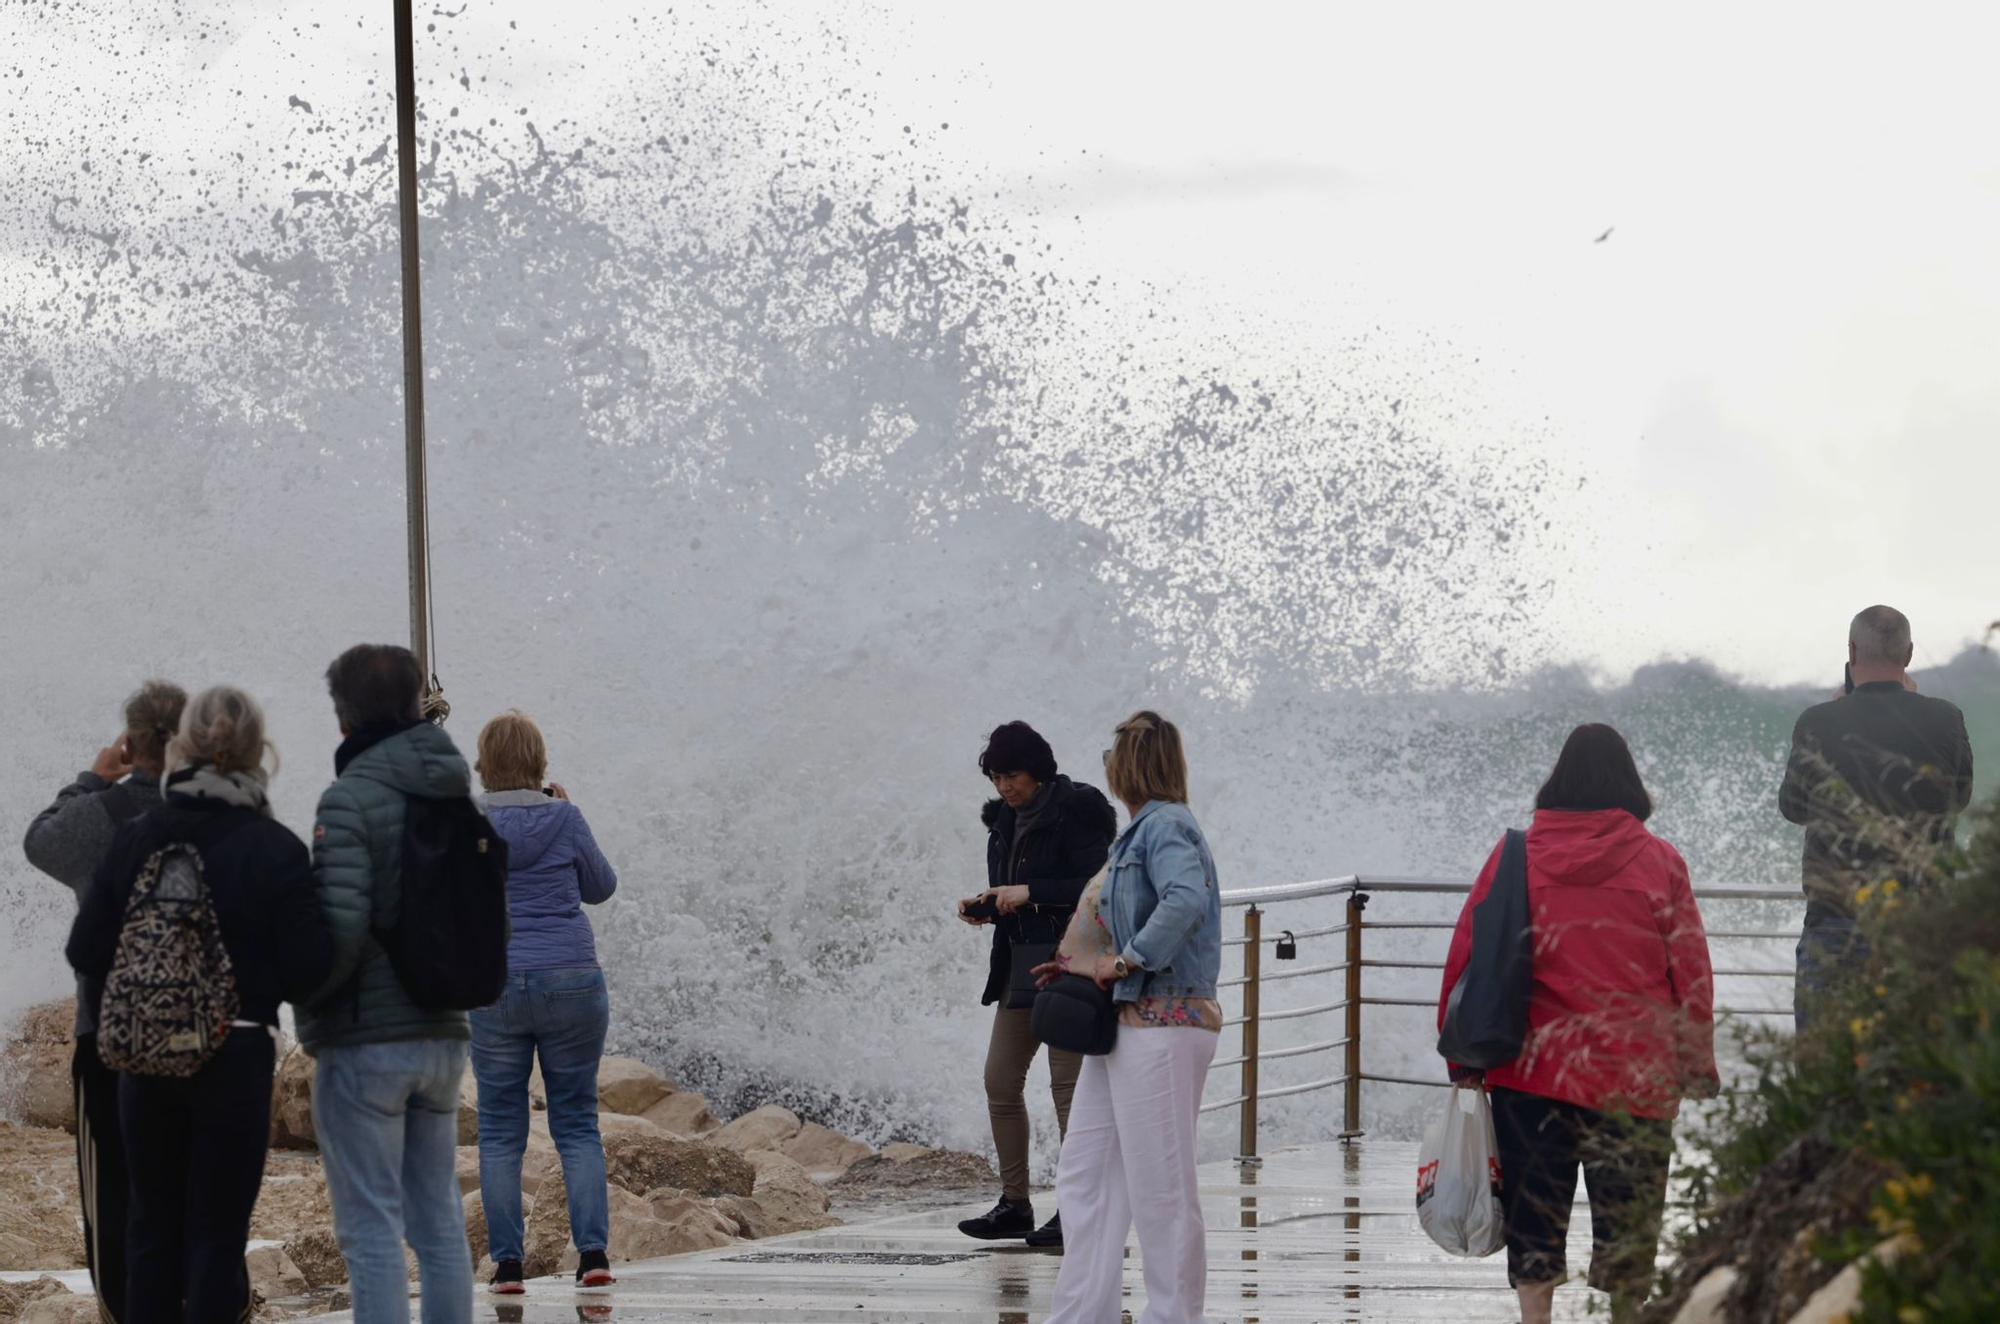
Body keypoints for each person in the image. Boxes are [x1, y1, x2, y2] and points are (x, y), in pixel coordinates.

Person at [65, 687, 333, 1324]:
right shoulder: (276, 847)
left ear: (181, 748)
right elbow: (310, 972)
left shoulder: (137, 838)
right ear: (257, 752)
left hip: (145, 1061)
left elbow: (85, 949)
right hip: (236, 1054)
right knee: (215, 1240)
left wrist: (141, 1002)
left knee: (150, 1232)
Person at [1438, 723, 1718, 1324]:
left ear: (1556, 783)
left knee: (1534, 1212)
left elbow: (1469, 955)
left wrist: (1463, 1059)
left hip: (1532, 1072)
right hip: (1635, 1076)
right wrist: (1695, 1064)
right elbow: (1690, 972)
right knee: (1630, 1218)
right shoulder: (1660, 861)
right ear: (1630, 785)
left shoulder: (1513, 855)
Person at [298, 644, 478, 1323]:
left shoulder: (349, 800)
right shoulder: (456, 792)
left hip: (368, 1044)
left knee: (371, 1232)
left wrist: (303, 1000)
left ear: (345, 717)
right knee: (438, 1229)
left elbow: (340, 931)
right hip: (444, 1035)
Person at [1037, 711, 1223, 1324]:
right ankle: (1081, 1313)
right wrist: (1081, 964)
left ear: (1130, 765)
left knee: (1161, 1186)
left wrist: (1129, 961)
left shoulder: (1167, 826)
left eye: (1116, 756)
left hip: (1165, 1023)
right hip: (1130, 1023)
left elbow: (1186, 899)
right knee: (1086, 1174)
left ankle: (1174, 1316)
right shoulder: (1141, 831)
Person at [22, 678, 186, 1324]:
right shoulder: (215, 814)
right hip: (200, 1041)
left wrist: (92, 779)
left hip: (108, 1041)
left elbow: (39, 841)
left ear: (131, 741)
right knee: (197, 1185)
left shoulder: (99, 820)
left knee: (114, 1197)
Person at [468, 710, 620, 1293]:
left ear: (484, 766)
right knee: (577, 1124)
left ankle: (508, 1266)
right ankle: (593, 1257)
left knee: (502, 1131)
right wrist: (565, 812)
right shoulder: (566, 816)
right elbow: (599, 887)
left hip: (497, 983)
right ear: (539, 765)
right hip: (571, 981)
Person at [955, 721, 1116, 1248]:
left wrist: (1031, 893)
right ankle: (1014, 1204)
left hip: (1071, 967)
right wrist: (988, 905)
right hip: (1019, 966)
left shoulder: (1081, 810)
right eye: (997, 777)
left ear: (1038, 770)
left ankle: (1077, 1211)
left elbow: (1098, 887)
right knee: (1000, 1082)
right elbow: (1016, 892)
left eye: (1012, 776)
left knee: (1069, 1093)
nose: (1004, 787)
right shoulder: (1002, 819)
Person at [1779, 606, 1974, 1031]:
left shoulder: (1817, 721)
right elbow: (1958, 798)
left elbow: (1793, 808)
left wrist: (1836, 713)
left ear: (1851, 651)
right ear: (1907, 655)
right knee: (1918, 1079)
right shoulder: (1946, 718)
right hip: (1922, 927)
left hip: (1836, 924)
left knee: (1826, 1080)